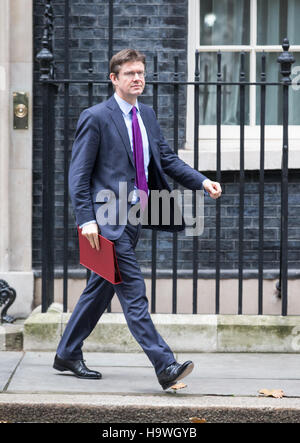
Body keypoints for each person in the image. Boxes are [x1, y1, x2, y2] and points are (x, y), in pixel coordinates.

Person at [53, 49, 222, 390]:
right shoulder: (96, 116)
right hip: (106, 220)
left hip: (135, 216)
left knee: (100, 289)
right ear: (114, 79)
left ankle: (67, 353)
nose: (137, 78)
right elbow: (79, 174)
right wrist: (87, 219)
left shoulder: (146, 114)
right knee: (133, 291)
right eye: (129, 73)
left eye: (141, 72)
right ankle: (165, 365)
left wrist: (201, 181)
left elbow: (166, 159)